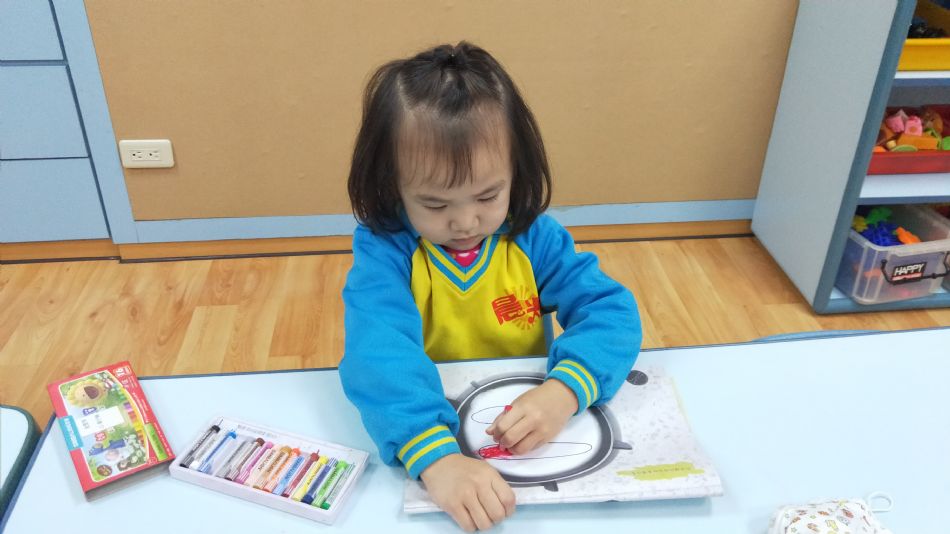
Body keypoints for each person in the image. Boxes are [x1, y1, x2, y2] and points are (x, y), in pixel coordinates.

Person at [340, 41, 642, 531]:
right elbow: (377, 356)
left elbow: (611, 311)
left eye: (487, 195)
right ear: (393, 184)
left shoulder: (533, 238)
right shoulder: (387, 251)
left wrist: (565, 391)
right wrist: (436, 458)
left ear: (515, 172)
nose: (465, 222)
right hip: (433, 426)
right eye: (435, 204)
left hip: (528, 432)